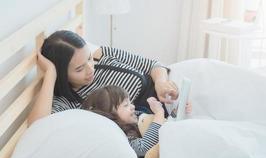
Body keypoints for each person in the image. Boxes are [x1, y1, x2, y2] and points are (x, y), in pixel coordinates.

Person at [28, 30, 178, 126]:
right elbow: (36, 127)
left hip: (170, 103)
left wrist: (161, 83)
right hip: (153, 126)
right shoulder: (66, 102)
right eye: (79, 69)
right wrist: (51, 73)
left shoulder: (102, 54)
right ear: (61, 74)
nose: (90, 69)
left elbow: (152, 65)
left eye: (89, 58)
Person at [82, 85, 165, 157]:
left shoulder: (134, 116)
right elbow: (143, 147)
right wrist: (159, 113)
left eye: (130, 102)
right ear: (109, 115)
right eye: (126, 105)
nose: (133, 106)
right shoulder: (123, 137)